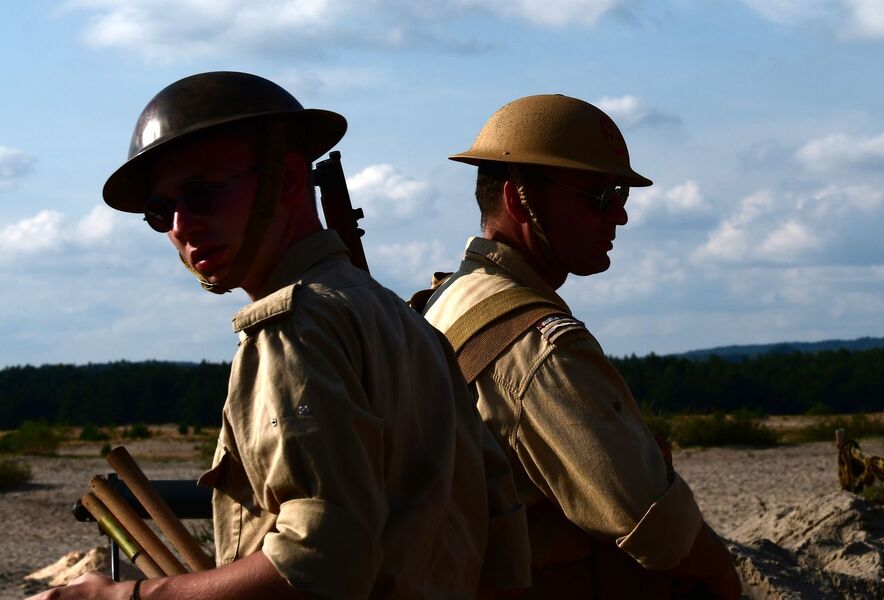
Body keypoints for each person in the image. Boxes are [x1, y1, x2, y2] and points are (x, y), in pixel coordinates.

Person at [28, 72, 530, 600]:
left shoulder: (294, 327)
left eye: (202, 194)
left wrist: (116, 596)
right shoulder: (404, 323)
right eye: (160, 211)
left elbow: (321, 563)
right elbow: (504, 546)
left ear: (287, 181)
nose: (181, 224)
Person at [421, 94, 742, 598]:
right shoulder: (534, 342)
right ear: (517, 199)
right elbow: (658, 532)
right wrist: (724, 573)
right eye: (598, 196)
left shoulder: (450, 297)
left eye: (621, 196)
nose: (619, 217)